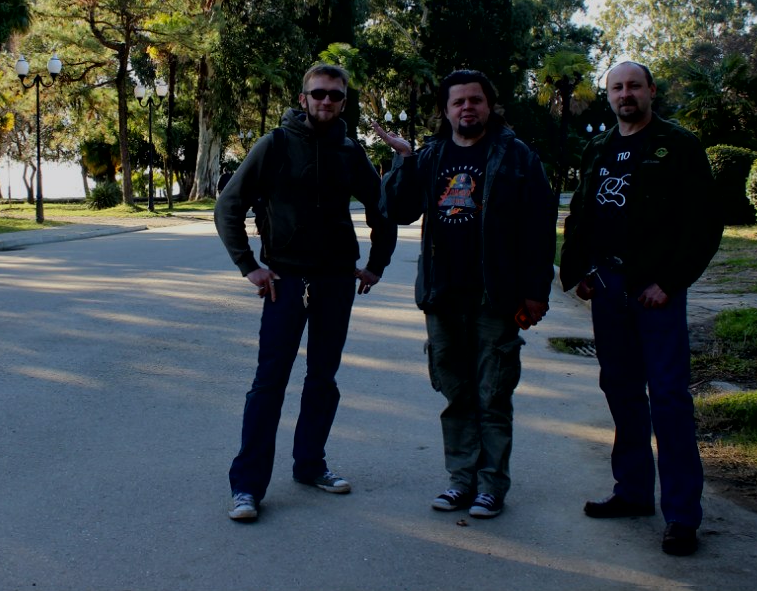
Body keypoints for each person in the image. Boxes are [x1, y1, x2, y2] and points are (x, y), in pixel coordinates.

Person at [215, 64, 398, 522]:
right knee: (269, 383)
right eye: (318, 93)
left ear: (343, 102)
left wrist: (376, 265)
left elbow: (382, 208)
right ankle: (247, 486)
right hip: (286, 281)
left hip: (336, 281)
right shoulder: (275, 145)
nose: (326, 101)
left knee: (323, 379)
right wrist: (249, 266)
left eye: (335, 95)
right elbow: (229, 205)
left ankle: (310, 464)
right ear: (303, 99)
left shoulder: (349, 151)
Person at [374, 69, 556, 520]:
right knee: (456, 393)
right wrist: (403, 159)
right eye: (458, 102)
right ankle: (461, 480)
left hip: (495, 297)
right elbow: (397, 210)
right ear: (446, 110)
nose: (467, 108)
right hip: (443, 296)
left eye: (475, 100)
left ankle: (491, 486)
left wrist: (536, 291)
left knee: (493, 394)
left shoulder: (516, 156)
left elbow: (539, 229)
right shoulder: (431, 156)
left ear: (490, 105)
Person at [559, 61, 723, 557]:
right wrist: (579, 271)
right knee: (621, 390)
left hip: (656, 293)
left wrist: (669, 283)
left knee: (669, 398)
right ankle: (632, 491)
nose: (625, 94)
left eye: (634, 86)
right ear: (608, 96)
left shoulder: (679, 145)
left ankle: (682, 515)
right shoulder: (599, 148)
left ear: (651, 90)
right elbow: (582, 213)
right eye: (617, 88)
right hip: (609, 288)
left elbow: (704, 223)